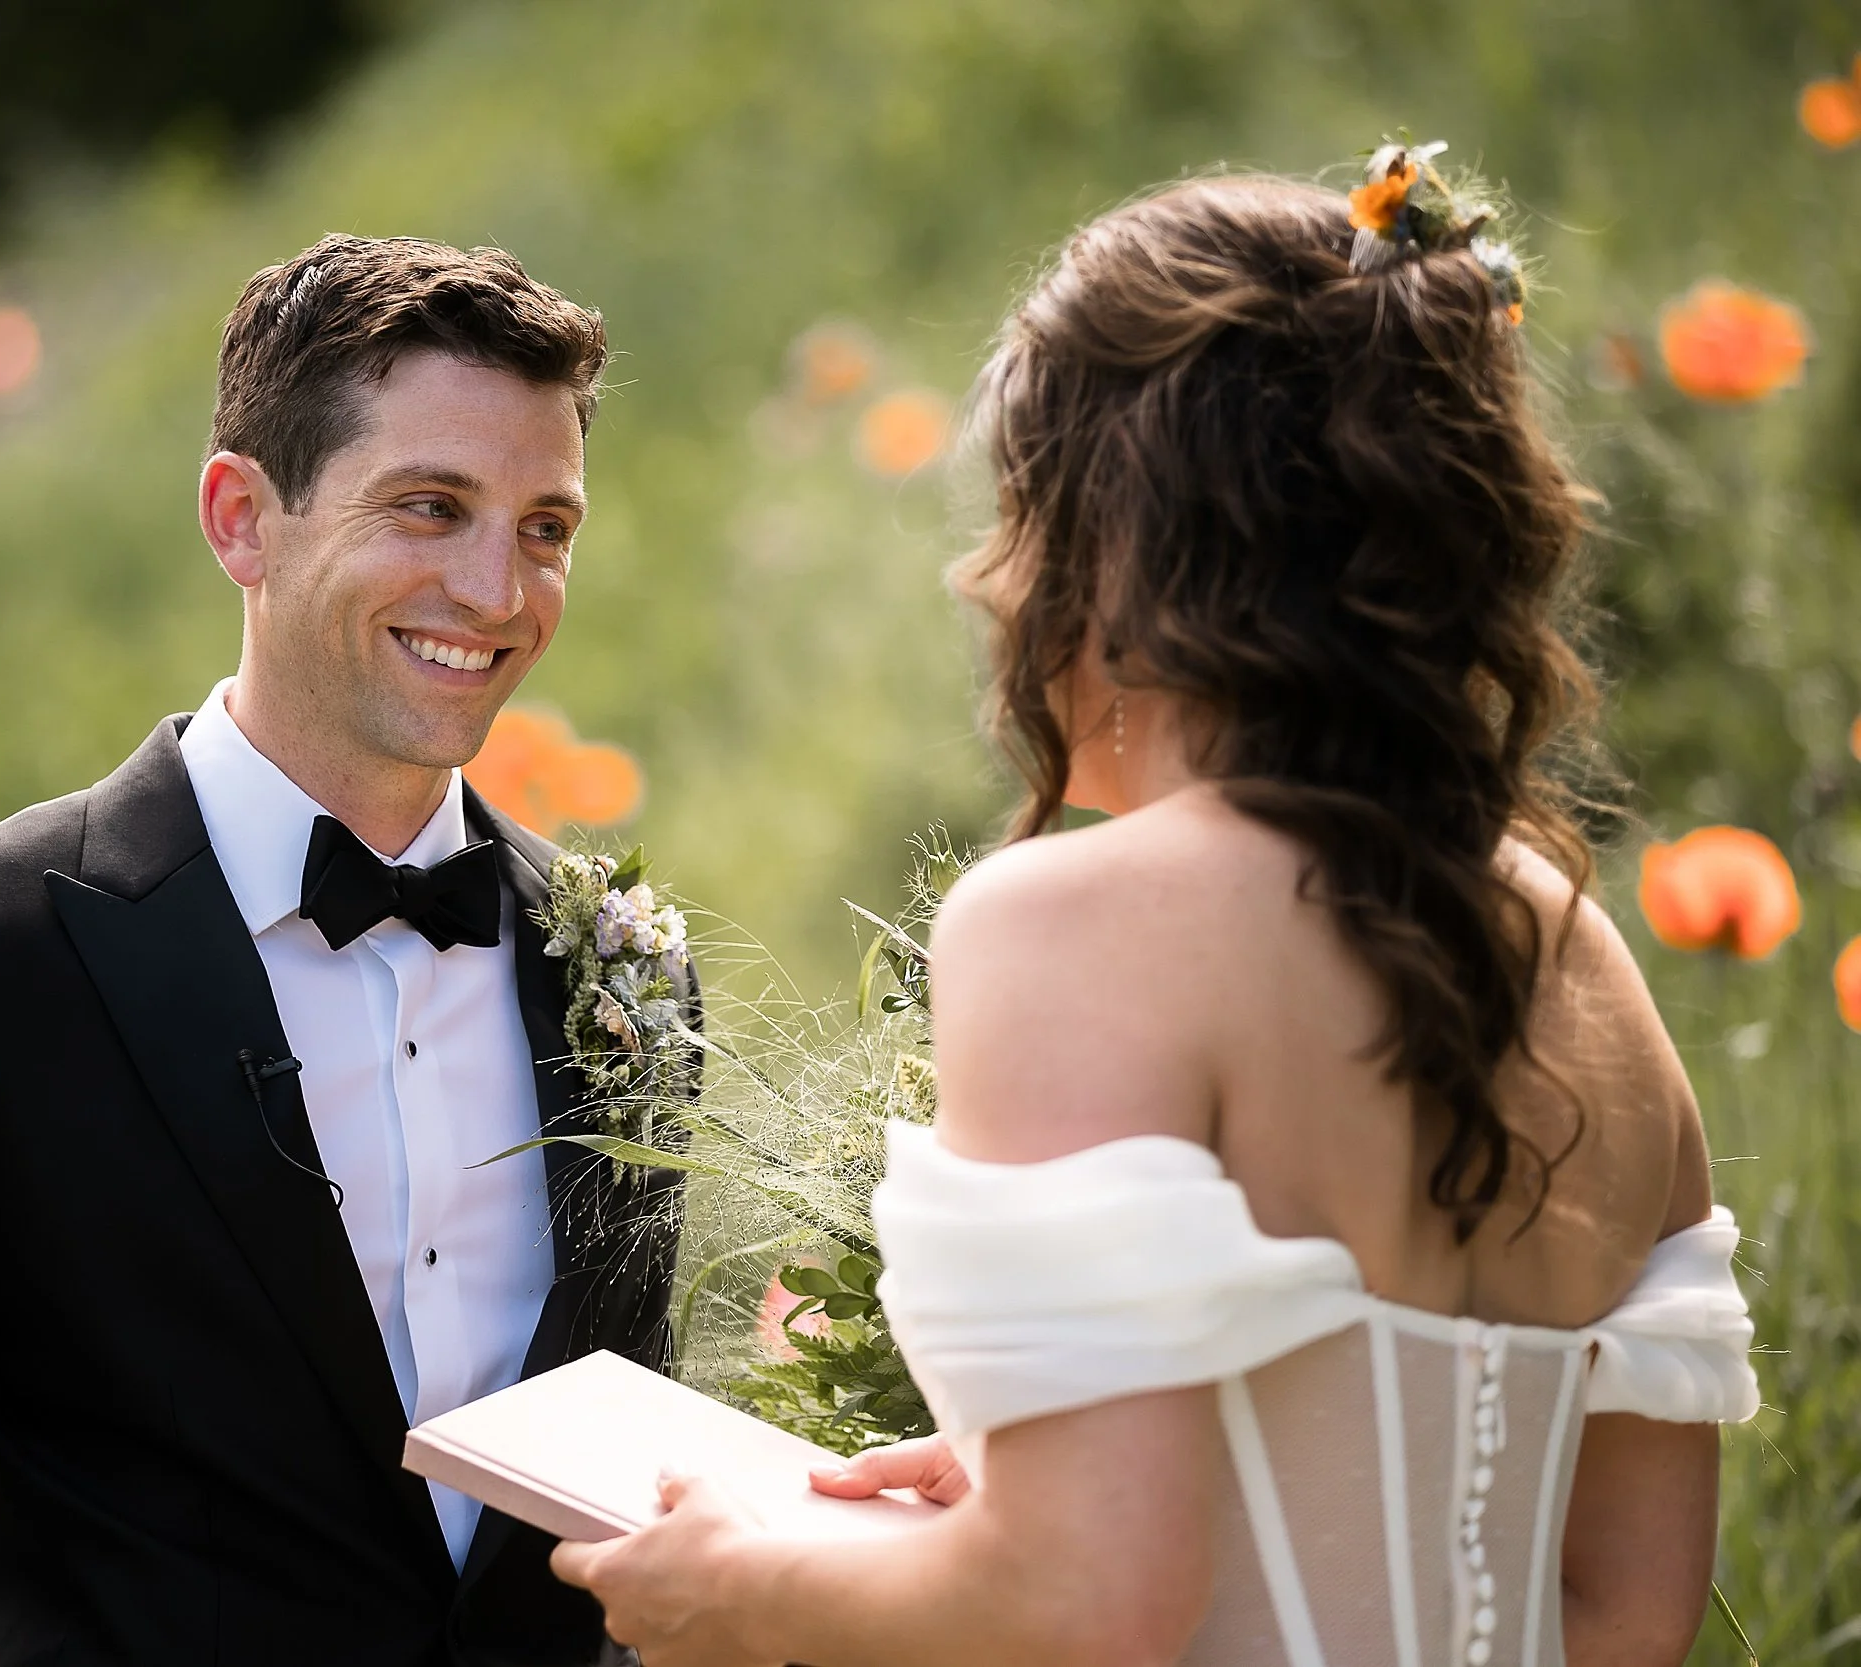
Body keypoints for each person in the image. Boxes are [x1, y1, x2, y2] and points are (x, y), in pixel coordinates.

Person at [552, 157, 1758, 1666]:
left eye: (1022, 507)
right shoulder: (1587, 959)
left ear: (1121, 544)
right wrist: (1037, 1483)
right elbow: (1624, 1617)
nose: (992, 576)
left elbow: (1089, 1598)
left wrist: (743, 1582)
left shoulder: (1076, 923)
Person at [0, 234, 686, 1666]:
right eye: (431, 507)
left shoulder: (625, 972)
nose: (500, 591)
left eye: (546, 527)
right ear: (242, 520)